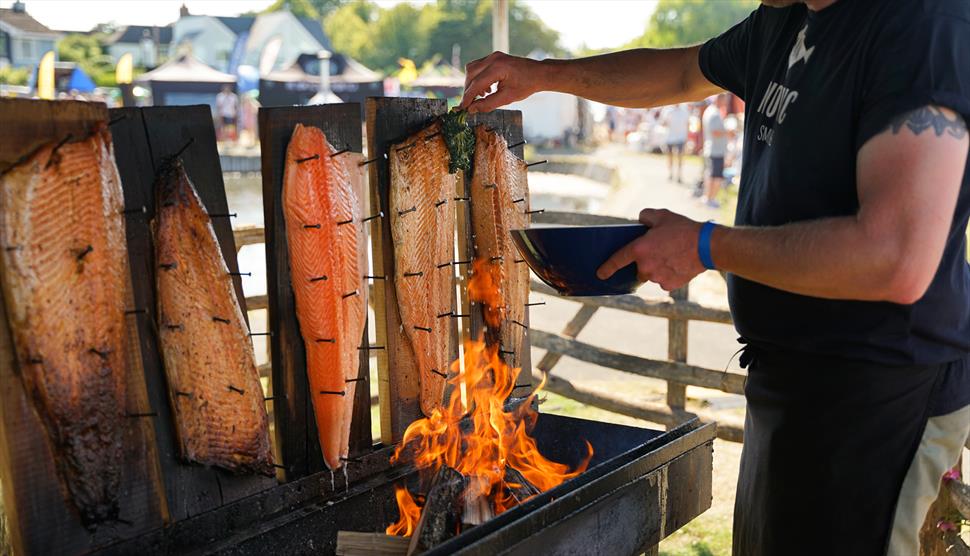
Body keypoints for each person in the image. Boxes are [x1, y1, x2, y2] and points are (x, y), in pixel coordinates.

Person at [458, 0, 970, 554]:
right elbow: (681, 72)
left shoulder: (924, 25)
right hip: (790, 381)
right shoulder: (783, 16)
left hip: (881, 397)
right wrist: (543, 75)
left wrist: (706, 245)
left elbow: (895, 258)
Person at [702, 94, 730, 207]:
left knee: (711, 174)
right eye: (724, 99)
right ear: (719, 99)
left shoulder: (711, 111)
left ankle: (708, 198)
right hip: (716, 150)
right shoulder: (714, 113)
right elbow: (715, 132)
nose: (726, 102)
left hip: (712, 148)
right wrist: (728, 132)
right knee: (716, 176)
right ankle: (710, 199)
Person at [661, 102, 690, 182]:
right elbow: (663, 123)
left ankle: (679, 175)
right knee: (670, 156)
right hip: (670, 137)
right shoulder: (667, 110)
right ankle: (671, 173)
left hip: (681, 137)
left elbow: (688, 124)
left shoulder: (685, 110)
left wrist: (687, 137)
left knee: (680, 156)